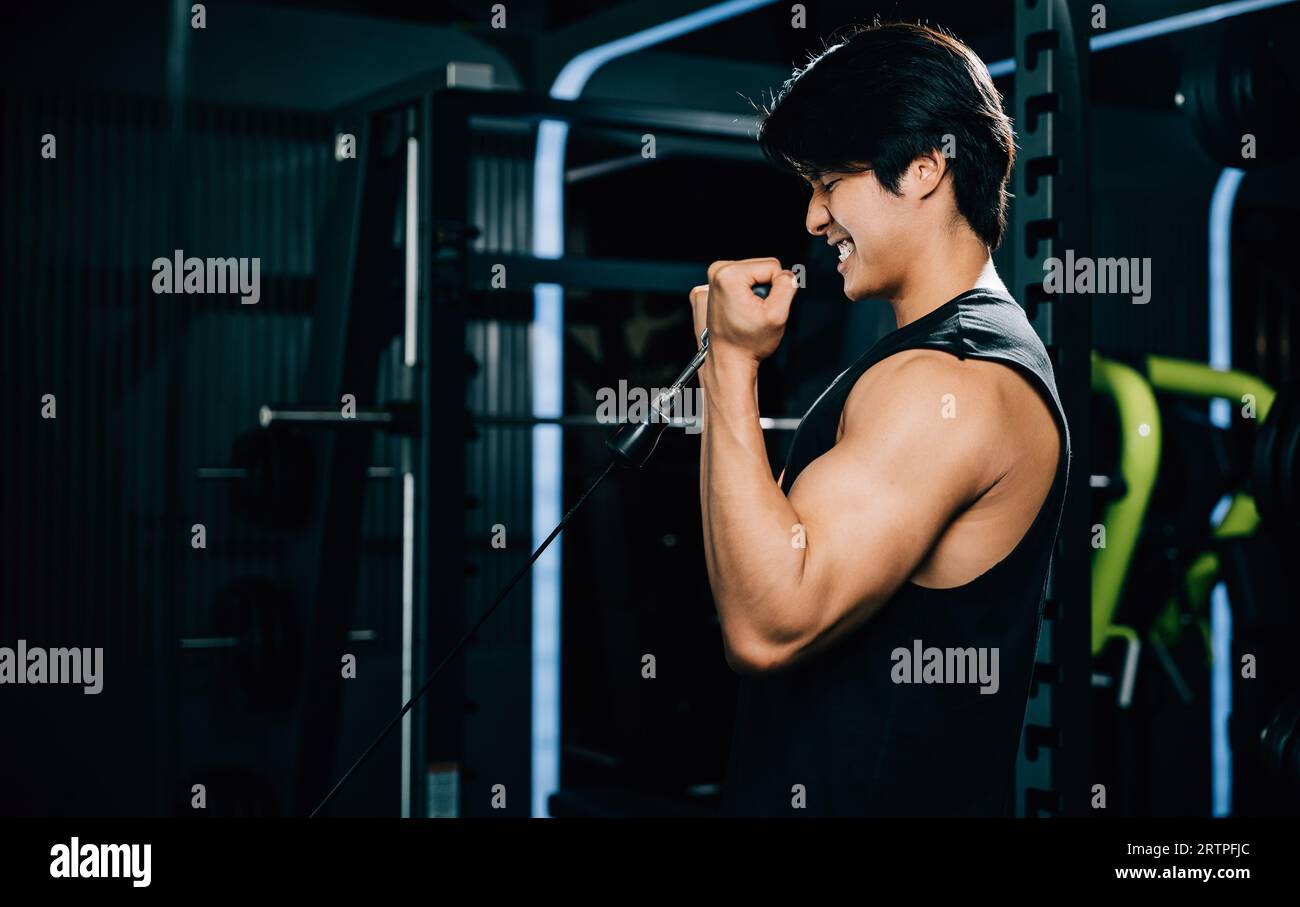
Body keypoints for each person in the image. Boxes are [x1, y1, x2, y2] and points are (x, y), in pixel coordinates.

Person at [690, 20, 1071, 816]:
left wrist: (728, 363)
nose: (813, 217)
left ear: (926, 168)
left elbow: (767, 626)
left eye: (831, 181)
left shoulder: (955, 378)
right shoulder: (940, 356)